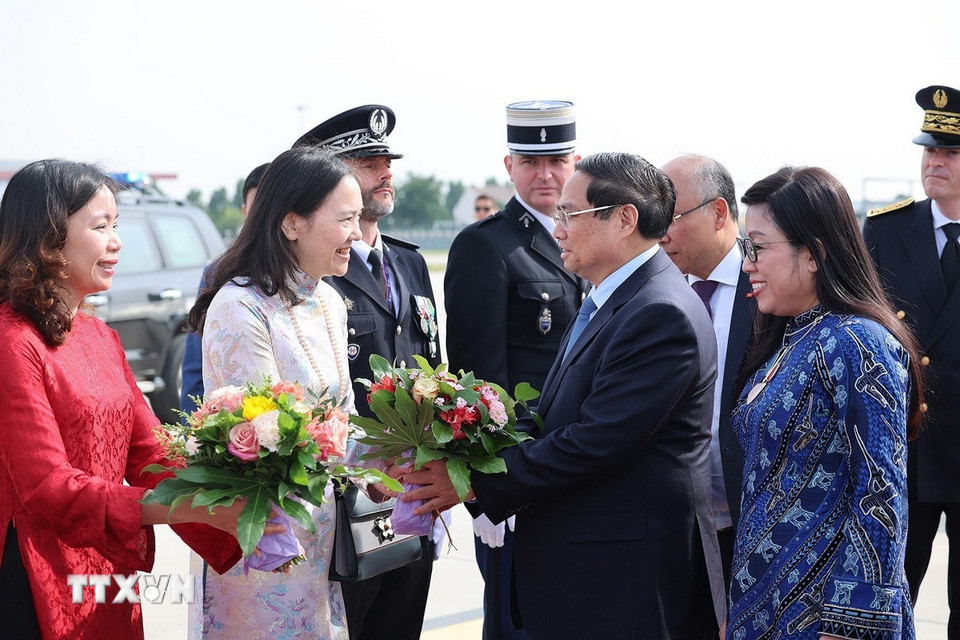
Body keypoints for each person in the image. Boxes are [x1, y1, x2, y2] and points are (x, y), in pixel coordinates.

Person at [405, 152, 726, 639]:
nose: (557, 228)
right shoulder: (613, 296)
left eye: (568, 214)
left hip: (626, 579)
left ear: (624, 219)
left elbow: (595, 441)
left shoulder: (660, 312)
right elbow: (554, 417)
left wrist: (475, 483)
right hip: (593, 571)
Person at [0, 159, 253, 639]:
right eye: (101, 227)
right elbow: (47, 488)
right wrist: (185, 507)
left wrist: (238, 500)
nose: (117, 242)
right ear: (48, 237)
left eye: (116, 226)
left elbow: (151, 454)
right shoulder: (13, 341)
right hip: (35, 570)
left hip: (106, 564)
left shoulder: (98, 335)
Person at [727, 166, 923, 639]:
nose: (747, 263)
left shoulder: (859, 343)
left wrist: (848, 624)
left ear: (813, 254)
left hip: (825, 621)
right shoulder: (790, 337)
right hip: (765, 609)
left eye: (758, 246)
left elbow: (881, 492)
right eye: (744, 247)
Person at [185, 147, 362, 639]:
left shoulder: (327, 298)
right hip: (266, 529)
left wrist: (397, 458)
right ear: (291, 224)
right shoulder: (240, 305)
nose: (356, 233)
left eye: (358, 217)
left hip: (322, 523)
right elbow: (263, 435)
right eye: (345, 218)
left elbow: (342, 415)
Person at [293, 104, 442, 640]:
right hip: (346, 494)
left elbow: (430, 368)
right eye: (367, 161)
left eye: (387, 161)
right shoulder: (316, 271)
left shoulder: (409, 262)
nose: (385, 173)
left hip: (409, 492)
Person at [443, 100, 589, 640]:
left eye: (557, 161)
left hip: (579, 464)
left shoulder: (598, 238)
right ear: (509, 166)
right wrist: (496, 484)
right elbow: (477, 380)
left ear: (577, 161)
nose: (545, 174)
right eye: (530, 161)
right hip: (521, 473)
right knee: (517, 618)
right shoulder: (486, 246)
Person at [863, 83, 960, 639]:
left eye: (950, 152)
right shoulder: (885, 230)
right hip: (905, 444)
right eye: (930, 150)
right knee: (891, 599)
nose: (935, 162)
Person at [659, 154, 753, 587]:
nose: (660, 234)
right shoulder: (660, 291)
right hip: (681, 522)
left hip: (753, 517)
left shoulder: (770, 284)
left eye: (672, 217)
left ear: (718, 212)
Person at [180, 161, 268, 414]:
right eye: (258, 208)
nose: (266, 217)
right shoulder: (219, 271)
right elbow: (196, 361)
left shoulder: (318, 271)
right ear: (244, 211)